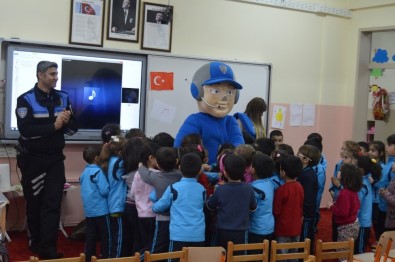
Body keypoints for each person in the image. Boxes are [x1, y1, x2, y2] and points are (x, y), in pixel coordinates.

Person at [15, 61, 78, 259]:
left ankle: (49, 249)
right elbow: (26, 130)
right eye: (51, 74)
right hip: (33, 160)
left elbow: (72, 127)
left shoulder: (63, 97)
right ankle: (36, 243)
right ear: (40, 75)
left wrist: (68, 121)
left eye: (56, 74)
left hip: (55, 160)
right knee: (35, 204)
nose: (55, 77)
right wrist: (55, 126)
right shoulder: (25, 99)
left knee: (53, 204)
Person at [174, 61, 245, 165]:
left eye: (230, 92)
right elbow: (179, 151)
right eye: (216, 91)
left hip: (225, 175)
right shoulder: (194, 120)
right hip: (200, 175)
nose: (224, 98)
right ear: (197, 91)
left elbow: (240, 150)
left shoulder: (230, 122)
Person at [152, 152, 206, 251]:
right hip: (198, 234)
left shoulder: (174, 188)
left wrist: (153, 205)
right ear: (199, 171)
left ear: (180, 168)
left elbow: (160, 206)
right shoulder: (202, 189)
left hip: (178, 234)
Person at [206, 154, 257, 250]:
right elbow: (253, 208)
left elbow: (210, 206)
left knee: (221, 256)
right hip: (241, 230)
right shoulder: (248, 188)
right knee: (239, 257)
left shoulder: (220, 189)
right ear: (244, 172)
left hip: (222, 230)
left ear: (225, 173)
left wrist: (209, 197)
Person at [137, 147, 182, 254]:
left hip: (162, 218)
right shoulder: (181, 175)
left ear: (158, 165)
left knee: (156, 248)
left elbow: (143, 173)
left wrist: (140, 166)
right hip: (178, 218)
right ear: (176, 161)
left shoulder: (156, 177)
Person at [79, 145, 110, 262]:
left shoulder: (84, 173)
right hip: (101, 211)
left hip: (89, 211)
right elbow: (104, 190)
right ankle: (105, 256)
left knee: (90, 236)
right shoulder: (98, 172)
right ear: (97, 158)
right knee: (105, 236)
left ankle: (89, 257)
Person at [99, 135, 127, 258]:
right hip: (118, 205)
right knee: (119, 238)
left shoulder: (109, 160)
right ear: (121, 151)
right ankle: (115, 259)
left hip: (112, 203)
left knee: (113, 236)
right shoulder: (120, 162)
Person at [130, 140, 159, 254]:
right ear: (151, 158)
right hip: (153, 215)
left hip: (140, 214)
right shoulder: (157, 174)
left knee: (143, 244)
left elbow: (132, 194)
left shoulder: (137, 173)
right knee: (152, 247)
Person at [272, 155, 304, 259]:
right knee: (293, 256)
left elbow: (276, 211)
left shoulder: (281, 190)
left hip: (283, 229)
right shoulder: (300, 186)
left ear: (283, 172)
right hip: (296, 227)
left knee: (282, 256)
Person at [296, 145, 319, 254]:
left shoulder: (309, 176)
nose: (296, 157)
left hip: (307, 215)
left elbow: (308, 198)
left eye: (298, 155)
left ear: (306, 160)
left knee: (305, 240)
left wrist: (303, 213)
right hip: (303, 213)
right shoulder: (304, 172)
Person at [330, 163, 362, 242]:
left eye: (340, 171)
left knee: (342, 251)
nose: (338, 172)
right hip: (352, 224)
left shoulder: (345, 192)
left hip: (346, 227)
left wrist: (331, 206)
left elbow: (343, 212)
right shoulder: (352, 190)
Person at [249, 152, 275, 245]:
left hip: (257, 228)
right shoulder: (271, 183)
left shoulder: (253, 188)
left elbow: (251, 208)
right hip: (270, 226)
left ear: (254, 169)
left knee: (255, 255)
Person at [368, 140, 385, 245]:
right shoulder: (370, 164)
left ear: (381, 153)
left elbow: (382, 184)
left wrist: (374, 183)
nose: (370, 152)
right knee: (372, 219)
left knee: (377, 221)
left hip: (378, 199)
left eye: (373, 150)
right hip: (370, 197)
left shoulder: (383, 167)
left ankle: (380, 240)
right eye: (369, 150)